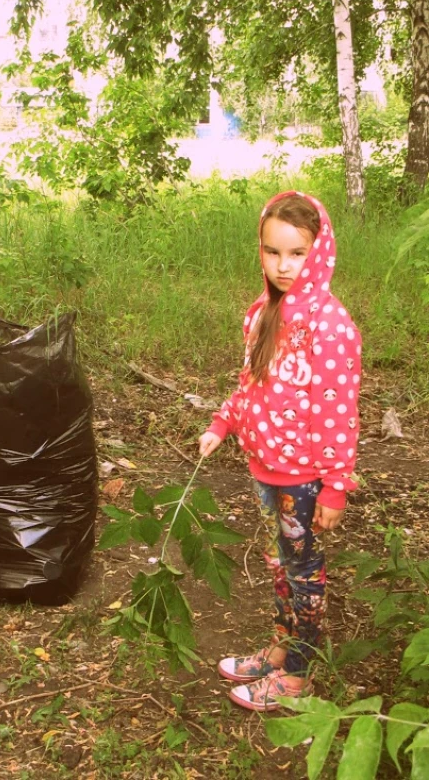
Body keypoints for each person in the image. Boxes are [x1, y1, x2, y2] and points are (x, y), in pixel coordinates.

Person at [199, 191, 361, 712]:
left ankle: (297, 675)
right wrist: (224, 421)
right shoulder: (265, 313)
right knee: (280, 563)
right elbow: (253, 384)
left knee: (304, 571)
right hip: (266, 468)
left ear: (320, 252)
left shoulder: (328, 325)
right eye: (273, 252)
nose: (284, 265)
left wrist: (336, 483)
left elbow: (337, 411)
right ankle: (279, 648)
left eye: (297, 254)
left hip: (305, 478)